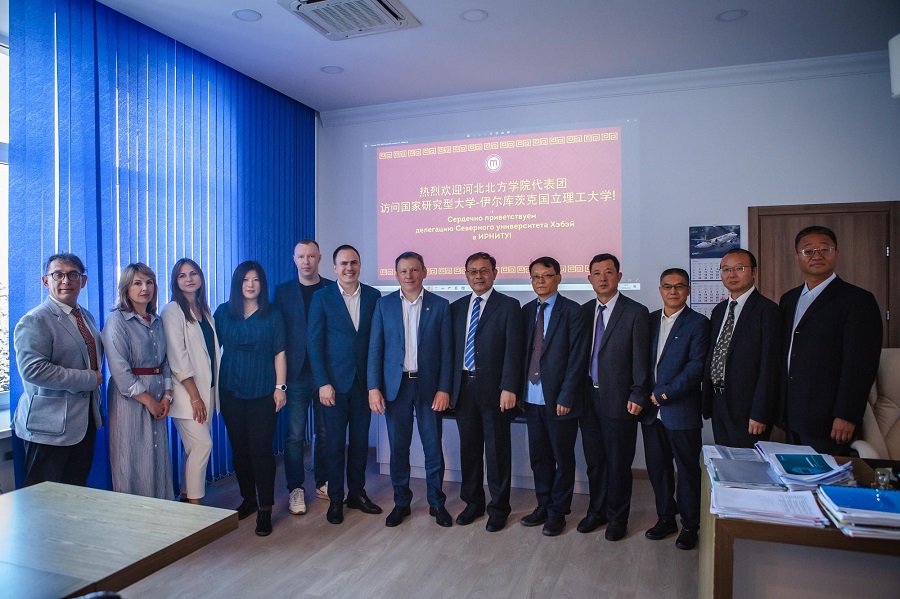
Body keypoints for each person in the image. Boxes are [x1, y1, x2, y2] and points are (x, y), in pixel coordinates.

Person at [779, 226, 882, 455]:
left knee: (828, 475)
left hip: (829, 419)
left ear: (836, 253)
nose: (816, 255)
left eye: (824, 249)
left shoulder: (858, 300)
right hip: (792, 414)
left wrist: (847, 414)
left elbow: (861, 364)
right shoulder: (789, 299)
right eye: (808, 251)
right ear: (797, 257)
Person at [368, 251, 453, 528]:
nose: (409, 275)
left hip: (429, 388)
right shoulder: (384, 305)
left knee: (433, 449)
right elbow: (375, 350)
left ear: (424, 272)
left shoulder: (440, 306)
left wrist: (444, 388)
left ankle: (437, 504)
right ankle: (401, 503)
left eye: (414, 270)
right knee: (398, 449)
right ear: (396, 275)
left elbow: (447, 353)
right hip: (397, 387)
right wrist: (374, 388)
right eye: (403, 271)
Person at [13, 253, 104, 486]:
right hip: (48, 429)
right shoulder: (35, 320)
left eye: (73, 274)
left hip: (83, 423)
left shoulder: (86, 316)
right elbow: (34, 371)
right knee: (44, 500)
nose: (66, 281)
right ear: (46, 281)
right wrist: (88, 379)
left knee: (75, 496)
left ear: (83, 281)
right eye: (58, 275)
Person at [307, 245, 383, 524]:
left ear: (359, 265)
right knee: (335, 445)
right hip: (333, 387)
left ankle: (357, 494)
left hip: (364, 385)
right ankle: (336, 498)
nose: (349, 268)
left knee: (361, 443)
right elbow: (314, 343)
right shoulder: (322, 297)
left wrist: (375, 384)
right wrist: (323, 382)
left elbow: (377, 342)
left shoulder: (374, 296)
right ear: (334, 268)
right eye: (343, 264)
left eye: (353, 263)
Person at [579, 253, 650, 542]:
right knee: (595, 461)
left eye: (609, 272)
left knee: (619, 463)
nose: (603, 278)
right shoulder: (584, 312)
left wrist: (638, 392)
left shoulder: (635, 312)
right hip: (588, 399)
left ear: (619, 276)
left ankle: (618, 518)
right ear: (590, 279)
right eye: (597, 273)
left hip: (621, 400)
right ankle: (596, 511)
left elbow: (641, 359)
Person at [450, 252, 524, 532]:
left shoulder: (509, 306)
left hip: (495, 390)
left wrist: (509, 387)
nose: (478, 276)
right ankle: (473, 503)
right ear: (466, 274)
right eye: (473, 271)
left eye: (484, 270)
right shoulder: (456, 308)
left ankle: (499, 508)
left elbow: (514, 351)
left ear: (495, 272)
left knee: (496, 452)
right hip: (463, 388)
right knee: (468, 450)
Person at [215, 261, 287, 536]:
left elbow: (280, 352)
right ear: (238, 283)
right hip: (230, 390)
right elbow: (210, 349)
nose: (250, 284)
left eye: (256, 279)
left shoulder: (272, 314)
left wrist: (280, 388)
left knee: (261, 450)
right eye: (245, 279)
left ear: (262, 284)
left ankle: (265, 508)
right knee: (240, 449)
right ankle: (248, 499)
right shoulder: (224, 312)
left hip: (263, 390)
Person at [519, 256, 588, 537]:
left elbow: (577, 359)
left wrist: (566, 395)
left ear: (559, 278)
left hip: (559, 400)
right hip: (531, 397)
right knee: (539, 457)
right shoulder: (526, 311)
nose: (541, 281)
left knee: (562, 457)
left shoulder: (573, 311)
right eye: (536, 277)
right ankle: (543, 505)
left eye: (547, 276)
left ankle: (558, 512)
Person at [641, 268, 709, 551]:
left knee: (688, 470)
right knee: (658, 469)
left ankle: (690, 526)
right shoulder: (648, 321)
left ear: (688, 290)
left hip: (681, 411)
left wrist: (663, 394)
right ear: (660, 289)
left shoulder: (698, 323)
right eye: (667, 286)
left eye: (679, 286)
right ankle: (666, 518)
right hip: (650, 413)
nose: (673, 291)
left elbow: (696, 367)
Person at [102, 263, 174, 500]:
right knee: (131, 458)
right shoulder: (117, 322)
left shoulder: (157, 321)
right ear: (126, 288)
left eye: (149, 282)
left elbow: (165, 362)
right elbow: (120, 371)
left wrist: (166, 396)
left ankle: (161, 512)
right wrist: (149, 401)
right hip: (130, 400)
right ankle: (134, 517)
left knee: (157, 457)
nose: (145, 288)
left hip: (159, 396)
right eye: (138, 283)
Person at [273, 239, 334, 515]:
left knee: (325, 432)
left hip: (325, 375)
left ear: (319, 258)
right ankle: (295, 489)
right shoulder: (283, 292)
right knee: (295, 436)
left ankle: (323, 482)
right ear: (294, 259)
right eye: (301, 256)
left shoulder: (331, 289)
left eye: (311, 256)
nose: (306, 261)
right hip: (295, 375)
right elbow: (278, 336)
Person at [702, 249, 780, 448]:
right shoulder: (719, 311)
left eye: (739, 268)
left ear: (754, 272)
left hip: (748, 407)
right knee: (724, 459)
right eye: (726, 269)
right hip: (718, 401)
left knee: (747, 463)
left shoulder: (767, 310)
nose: (732, 274)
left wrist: (760, 412)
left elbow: (770, 366)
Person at [161, 258, 220, 505]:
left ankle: (187, 498)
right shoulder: (172, 311)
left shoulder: (204, 310)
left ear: (201, 278)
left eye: (193, 273)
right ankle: (195, 508)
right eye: (182, 275)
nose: (189, 279)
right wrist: (195, 397)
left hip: (208, 390)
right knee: (202, 445)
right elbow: (178, 357)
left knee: (193, 449)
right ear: (175, 281)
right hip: (188, 394)